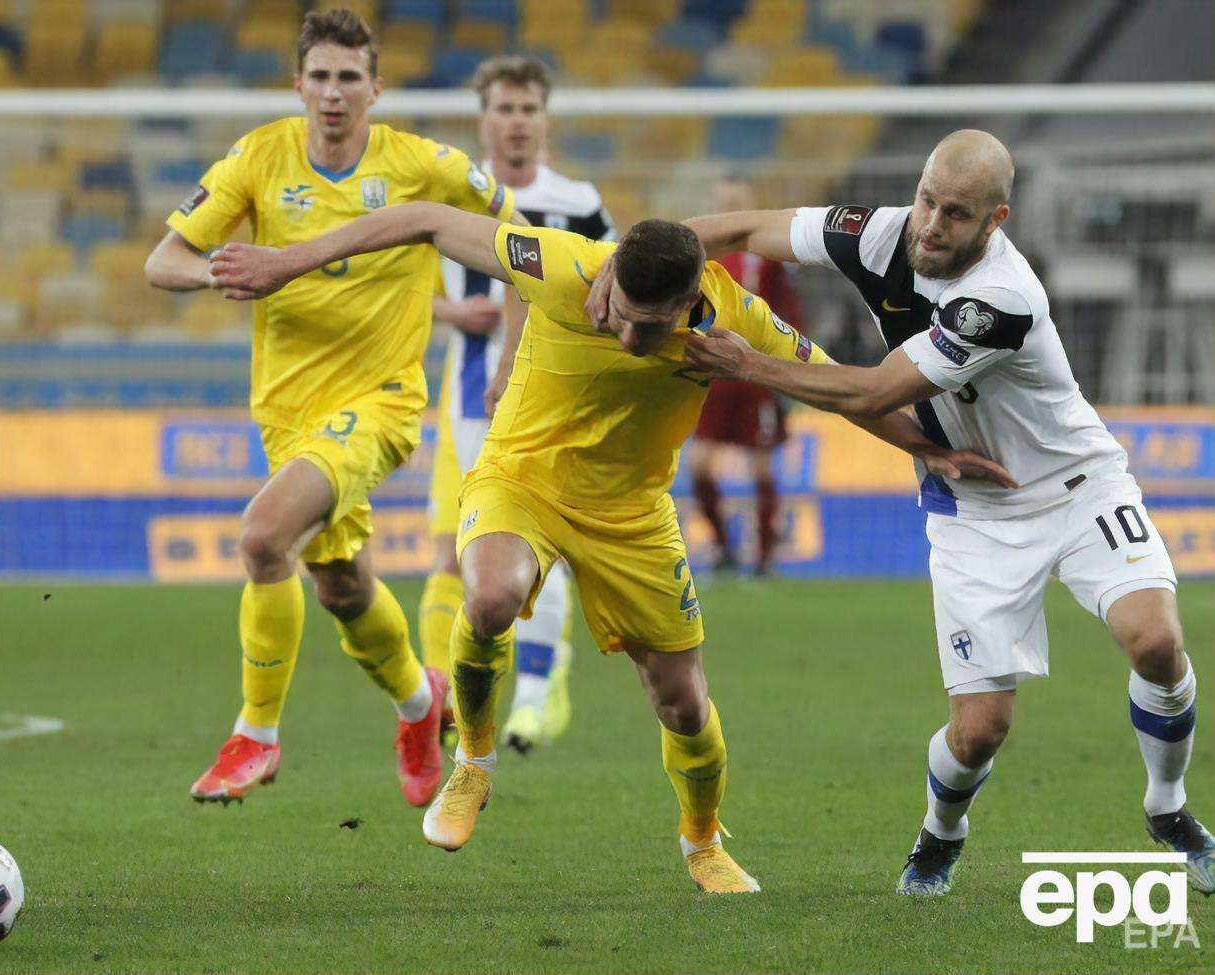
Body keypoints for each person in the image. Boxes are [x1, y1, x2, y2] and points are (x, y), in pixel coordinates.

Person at [207, 201, 1014, 893]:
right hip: (519, 477)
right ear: (608, 273)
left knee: (683, 702)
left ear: (690, 300)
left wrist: (929, 450)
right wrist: (290, 260)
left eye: (649, 326)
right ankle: (474, 761)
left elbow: (838, 382)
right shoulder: (560, 262)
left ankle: (703, 840)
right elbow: (421, 220)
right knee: (487, 596)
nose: (628, 334)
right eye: (618, 309)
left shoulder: (732, 318)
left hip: (630, 512)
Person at [661, 128, 1212, 896]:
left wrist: (747, 363)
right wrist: (643, 259)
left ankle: (1168, 805)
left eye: (956, 214)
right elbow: (748, 229)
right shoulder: (879, 232)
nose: (930, 224)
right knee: (981, 728)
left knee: (1155, 639)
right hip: (974, 509)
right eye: (926, 200)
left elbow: (876, 392)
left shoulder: (1002, 297)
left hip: (1080, 487)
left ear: (996, 221)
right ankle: (940, 833)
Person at [143, 8, 517, 808]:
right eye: (321, 76)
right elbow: (163, 260)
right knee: (342, 586)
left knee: (260, 535)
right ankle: (422, 708)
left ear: (376, 88)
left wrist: (515, 354)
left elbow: (522, 245)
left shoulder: (424, 166)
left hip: (379, 404)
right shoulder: (260, 155)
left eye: (351, 77)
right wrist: (229, 274)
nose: (335, 92)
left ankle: (257, 735)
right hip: (286, 411)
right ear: (298, 84)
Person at [423, 55, 616, 755]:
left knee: (543, 549)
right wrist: (453, 312)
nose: (516, 123)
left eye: (528, 109)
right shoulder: (451, 192)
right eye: (504, 109)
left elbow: (615, 283)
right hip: (475, 397)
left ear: (545, 118)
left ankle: (536, 693)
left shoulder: (579, 200)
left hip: (556, 395)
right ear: (484, 120)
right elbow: (399, 283)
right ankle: (456, 692)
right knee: (465, 551)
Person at [687, 176, 805, 575]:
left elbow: (789, 306)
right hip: (715, 375)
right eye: (723, 201)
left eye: (736, 201)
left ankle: (764, 558)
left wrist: (790, 364)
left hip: (757, 374)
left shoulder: (765, 253)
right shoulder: (701, 254)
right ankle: (722, 546)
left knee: (761, 467)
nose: (729, 208)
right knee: (699, 465)